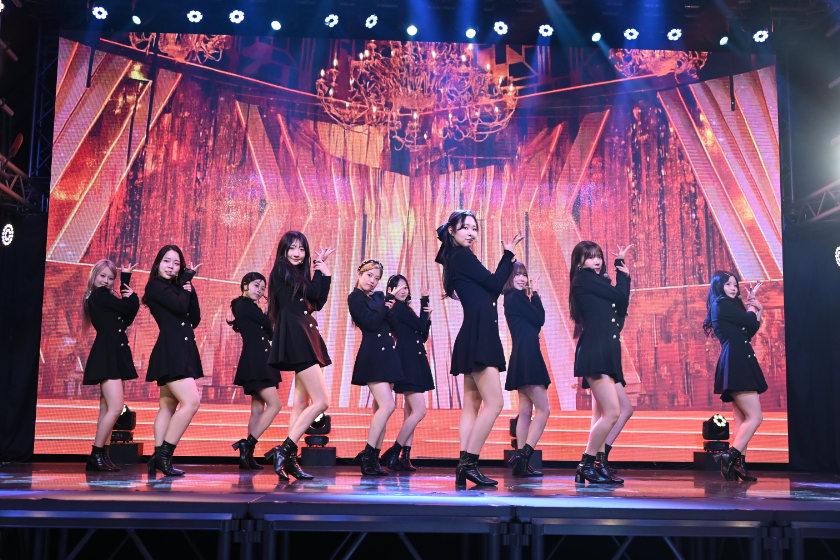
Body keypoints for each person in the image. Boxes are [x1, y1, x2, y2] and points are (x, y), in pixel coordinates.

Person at [435, 210, 523, 488]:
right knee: (494, 403)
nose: (471, 233)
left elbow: (490, 290)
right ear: (452, 230)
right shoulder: (462, 256)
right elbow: (495, 284)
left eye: (475, 228)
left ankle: (464, 466)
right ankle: (469, 463)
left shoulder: (456, 257)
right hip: (480, 335)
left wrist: (507, 259)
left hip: (474, 333)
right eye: (466, 228)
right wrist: (508, 255)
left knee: (472, 405)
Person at [265, 231, 335, 481]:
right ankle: (284, 450)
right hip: (298, 336)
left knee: (301, 404)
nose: (297, 253)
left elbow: (317, 302)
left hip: (304, 333)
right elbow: (312, 292)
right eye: (292, 248)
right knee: (321, 402)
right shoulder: (282, 268)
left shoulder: (296, 274)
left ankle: (290, 460)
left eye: (301, 249)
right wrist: (320, 272)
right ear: (284, 250)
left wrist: (324, 273)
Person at [568, 241, 633, 485]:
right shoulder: (583, 280)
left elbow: (621, 307)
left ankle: (598, 461)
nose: (596, 261)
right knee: (612, 412)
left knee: (623, 409)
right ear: (579, 262)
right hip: (595, 352)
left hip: (607, 351)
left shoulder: (599, 282)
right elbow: (619, 296)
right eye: (590, 257)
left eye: (599, 256)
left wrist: (621, 272)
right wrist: (621, 273)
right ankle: (586, 464)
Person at [142, 245, 203, 477]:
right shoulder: (155, 285)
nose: (171, 267)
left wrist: (189, 288)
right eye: (167, 261)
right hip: (172, 349)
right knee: (192, 402)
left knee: (167, 406)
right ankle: (165, 454)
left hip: (182, 348)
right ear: (158, 263)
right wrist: (184, 285)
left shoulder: (178, 288)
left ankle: (157, 456)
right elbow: (178, 307)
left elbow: (194, 318)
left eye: (176, 263)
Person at [704, 272, 766, 482]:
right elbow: (749, 320)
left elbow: (751, 328)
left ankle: (737, 466)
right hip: (737, 361)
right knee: (755, 417)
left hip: (738, 359)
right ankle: (730, 456)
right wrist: (751, 306)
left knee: (741, 418)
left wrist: (758, 308)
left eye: (735, 284)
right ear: (719, 287)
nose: (733, 288)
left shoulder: (728, 306)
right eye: (728, 284)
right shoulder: (722, 304)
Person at [348, 260, 406, 476]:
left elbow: (394, 325)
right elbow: (370, 323)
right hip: (373, 356)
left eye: (376, 278)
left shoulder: (378, 298)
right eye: (369, 275)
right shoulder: (355, 297)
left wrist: (389, 305)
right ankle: (367, 456)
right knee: (388, 406)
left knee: (382, 409)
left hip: (388, 355)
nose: (372, 281)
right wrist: (386, 304)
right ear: (359, 273)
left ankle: (373, 460)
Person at [81, 260, 139, 472]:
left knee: (106, 409)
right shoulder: (100, 295)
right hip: (108, 355)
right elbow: (127, 307)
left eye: (110, 277)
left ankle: (102, 456)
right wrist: (129, 289)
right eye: (102, 276)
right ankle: (96, 455)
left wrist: (126, 285)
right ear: (94, 276)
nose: (106, 281)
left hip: (110, 354)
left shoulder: (103, 298)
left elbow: (127, 318)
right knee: (115, 408)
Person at [378, 275, 434, 471]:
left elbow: (422, 335)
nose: (403, 290)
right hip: (408, 361)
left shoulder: (405, 308)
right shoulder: (398, 308)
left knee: (410, 411)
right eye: (398, 287)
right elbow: (419, 326)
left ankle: (405, 457)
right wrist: (424, 302)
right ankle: (394, 451)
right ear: (391, 290)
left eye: (405, 287)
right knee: (420, 411)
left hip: (415, 360)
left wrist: (427, 316)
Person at [228, 272, 281, 470]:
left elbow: (271, 331)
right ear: (245, 285)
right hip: (257, 360)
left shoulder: (252, 307)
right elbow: (268, 325)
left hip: (261, 359)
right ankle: (247, 444)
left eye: (263, 288)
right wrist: (269, 312)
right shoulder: (241, 304)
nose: (260, 291)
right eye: (256, 286)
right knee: (275, 405)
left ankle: (247, 457)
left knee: (257, 409)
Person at [502, 262, 550, 477]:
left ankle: (521, 462)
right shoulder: (516, 297)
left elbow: (535, 321)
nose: (522, 279)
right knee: (544, 410)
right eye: (517, 275)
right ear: (509, 278)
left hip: (522, 355)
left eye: (524, 275)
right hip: (528, 356)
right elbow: (540, 318)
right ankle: (523, 457)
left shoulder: (514, 298)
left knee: (525, 412)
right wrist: (536, 295)